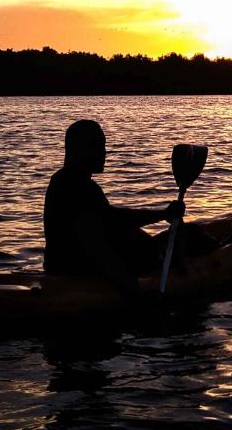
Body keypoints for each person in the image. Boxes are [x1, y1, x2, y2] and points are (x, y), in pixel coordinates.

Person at [43, 119, 212, 298]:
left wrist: (163, 214)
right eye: (100, 147)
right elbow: (96, 248)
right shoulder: (78, 187)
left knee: (163, 235)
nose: (104, 153)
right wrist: (134, 291)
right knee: (190, 234)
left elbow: (112, 217)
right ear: (83, 149)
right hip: (81, 269)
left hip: (65, 265)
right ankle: (229, 248)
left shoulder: (66, 181)